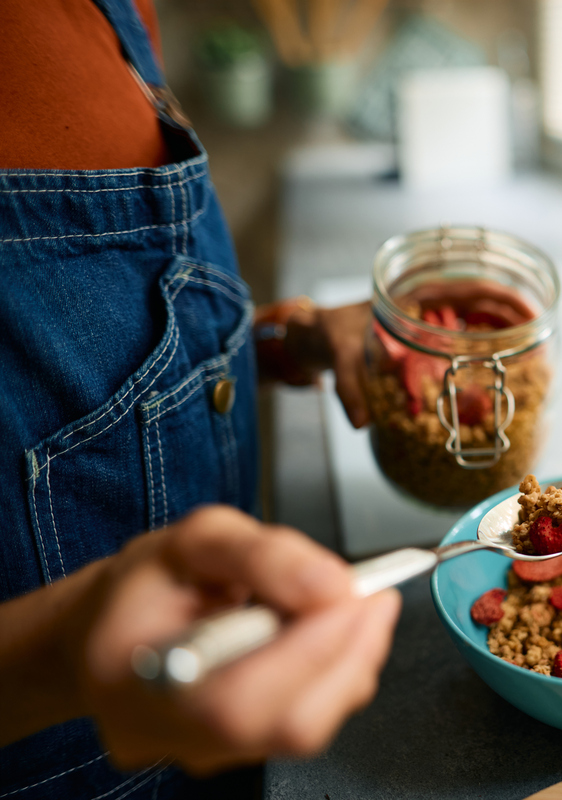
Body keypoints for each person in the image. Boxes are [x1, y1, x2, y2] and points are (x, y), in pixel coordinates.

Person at [0, 1, 395, 797]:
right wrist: (60, 650)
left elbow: (114, 351)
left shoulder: (120, 13)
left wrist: (287, 341)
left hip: (224, 706)